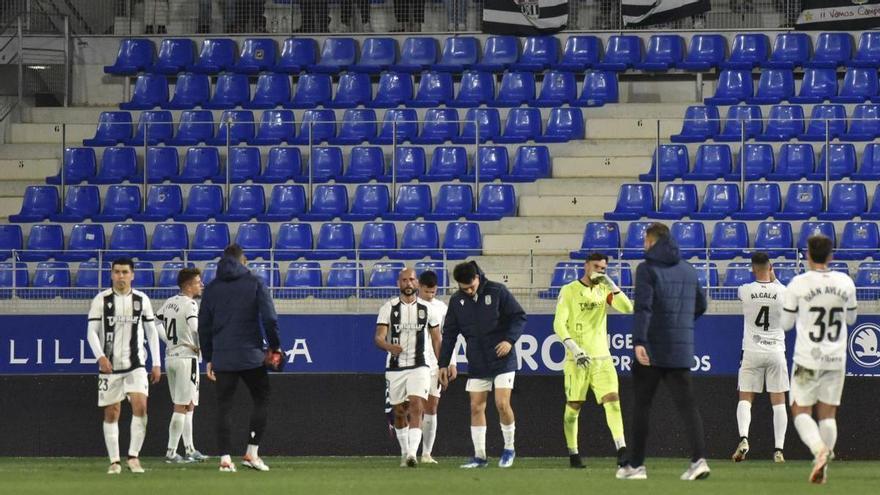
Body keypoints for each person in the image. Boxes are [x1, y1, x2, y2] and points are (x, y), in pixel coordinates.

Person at [616, 223, 710, 481]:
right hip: (680, 348)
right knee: (688, 406)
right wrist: (680, 323)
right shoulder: (688, 269)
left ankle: (636, 466)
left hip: (653, 348)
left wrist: (638, 341)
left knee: (642, 407)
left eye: (645, 240)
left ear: (650, 241)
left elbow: (643, 308)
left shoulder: (646, 269)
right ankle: (699, 460)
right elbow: (702, 304)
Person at [780, 235, 857, 484]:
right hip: (836, 359)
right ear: (831, 255)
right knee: (828, 414)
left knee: (800, 409)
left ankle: (818, 450)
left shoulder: (798, 284)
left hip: (807, 358)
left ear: (807, 255)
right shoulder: (845, 282)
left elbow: (786, 323)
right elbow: (851, 319)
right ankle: (823, 464)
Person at [199, 244, 282, 473]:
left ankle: (225, 459)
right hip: (251, 356)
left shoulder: (212, 288)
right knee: (261, 398)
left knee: (223, 406)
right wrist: (274, 346)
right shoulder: (255, 282)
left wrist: (209, 357)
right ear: (243, 261)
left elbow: (203, 326)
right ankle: (251, 453)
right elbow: (269, 318)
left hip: (223, 358)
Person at [439, 261, 527, 469]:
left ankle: (509, 448)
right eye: (464, 288)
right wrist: (443, 363)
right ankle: (480, 457)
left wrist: (509, 340)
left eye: (471, 286)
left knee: (502, 404)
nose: (469, 291)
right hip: (477, 362)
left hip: (502, 359)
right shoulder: (456, 300)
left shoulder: (498, 291)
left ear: (477, 277)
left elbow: (519, 317)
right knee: (476, 406)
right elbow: (449, 334)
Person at [553, 253, 634, 469]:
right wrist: (574, 348)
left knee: (613, 402)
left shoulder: (604, 289)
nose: (599, 270)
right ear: (586, 266)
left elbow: (627, 308)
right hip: (576, 359)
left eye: (603, 268)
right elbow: (559, 325)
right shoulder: (569, 290)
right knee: (573, 408)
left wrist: (610, 283)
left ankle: (622, 450)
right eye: (596, 266)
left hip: (602, 359)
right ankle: (573, 453)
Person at [86, 257, 161, 474]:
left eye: (125, 272)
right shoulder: (101, 300)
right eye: (117, 272)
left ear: (132, 275)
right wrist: (100, 356)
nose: (121, 276)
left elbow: (151, 332)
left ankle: (134, 457)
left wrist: (156, 362)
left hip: (136, 364)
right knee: (112, 413)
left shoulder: (142, 299)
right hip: (109, 366)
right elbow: (91, 332)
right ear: (111, 274)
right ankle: (114, 461)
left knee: (141, 406)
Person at [374, 268, 442, 467]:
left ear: (417, 283)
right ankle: (405, 452)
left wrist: (443, 364)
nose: (408, 283)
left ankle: (413, 453)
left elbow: (437, 339)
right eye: (404, 280)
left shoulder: (428, 309)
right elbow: (378, 337)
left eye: (411, 279)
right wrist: (389, 347)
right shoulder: (388, 308)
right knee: (399, 412)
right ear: (399, 283)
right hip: (395, 367)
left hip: (420, 366)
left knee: (417, 405)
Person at [732, 252, 789, 463]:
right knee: (778, 401)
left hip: (752, 351)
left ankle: (744, 438)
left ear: (753, 268)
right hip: (776, 351)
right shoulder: (782, 291)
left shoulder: (745, 290)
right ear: (771, 267)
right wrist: (774, 279)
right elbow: (784, 292)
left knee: (745, 398)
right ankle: (778, 450)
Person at [156, 267, 209, 464]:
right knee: (181, 405)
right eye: (198, 282)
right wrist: (201, 347)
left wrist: (169, 342)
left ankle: (189, 449)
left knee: (188, 404)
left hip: (171, 357)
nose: (201, 285)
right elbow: (195, 329)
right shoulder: (191, 304)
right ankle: (171, 452)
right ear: (188, 285)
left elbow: (154, 322)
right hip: (187, 358)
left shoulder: (170, 302)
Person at [417, 270, 457, 463]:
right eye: (427, 292)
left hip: (435, 363)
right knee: (414, 407)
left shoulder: (442, 307)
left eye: (433, 292)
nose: (430, 295)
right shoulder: (410, 306)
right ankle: (409, 451)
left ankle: (426, 453)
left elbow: (449, 336)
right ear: (419, 287)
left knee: (432, 406)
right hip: (415, 362)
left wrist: (451, 362)